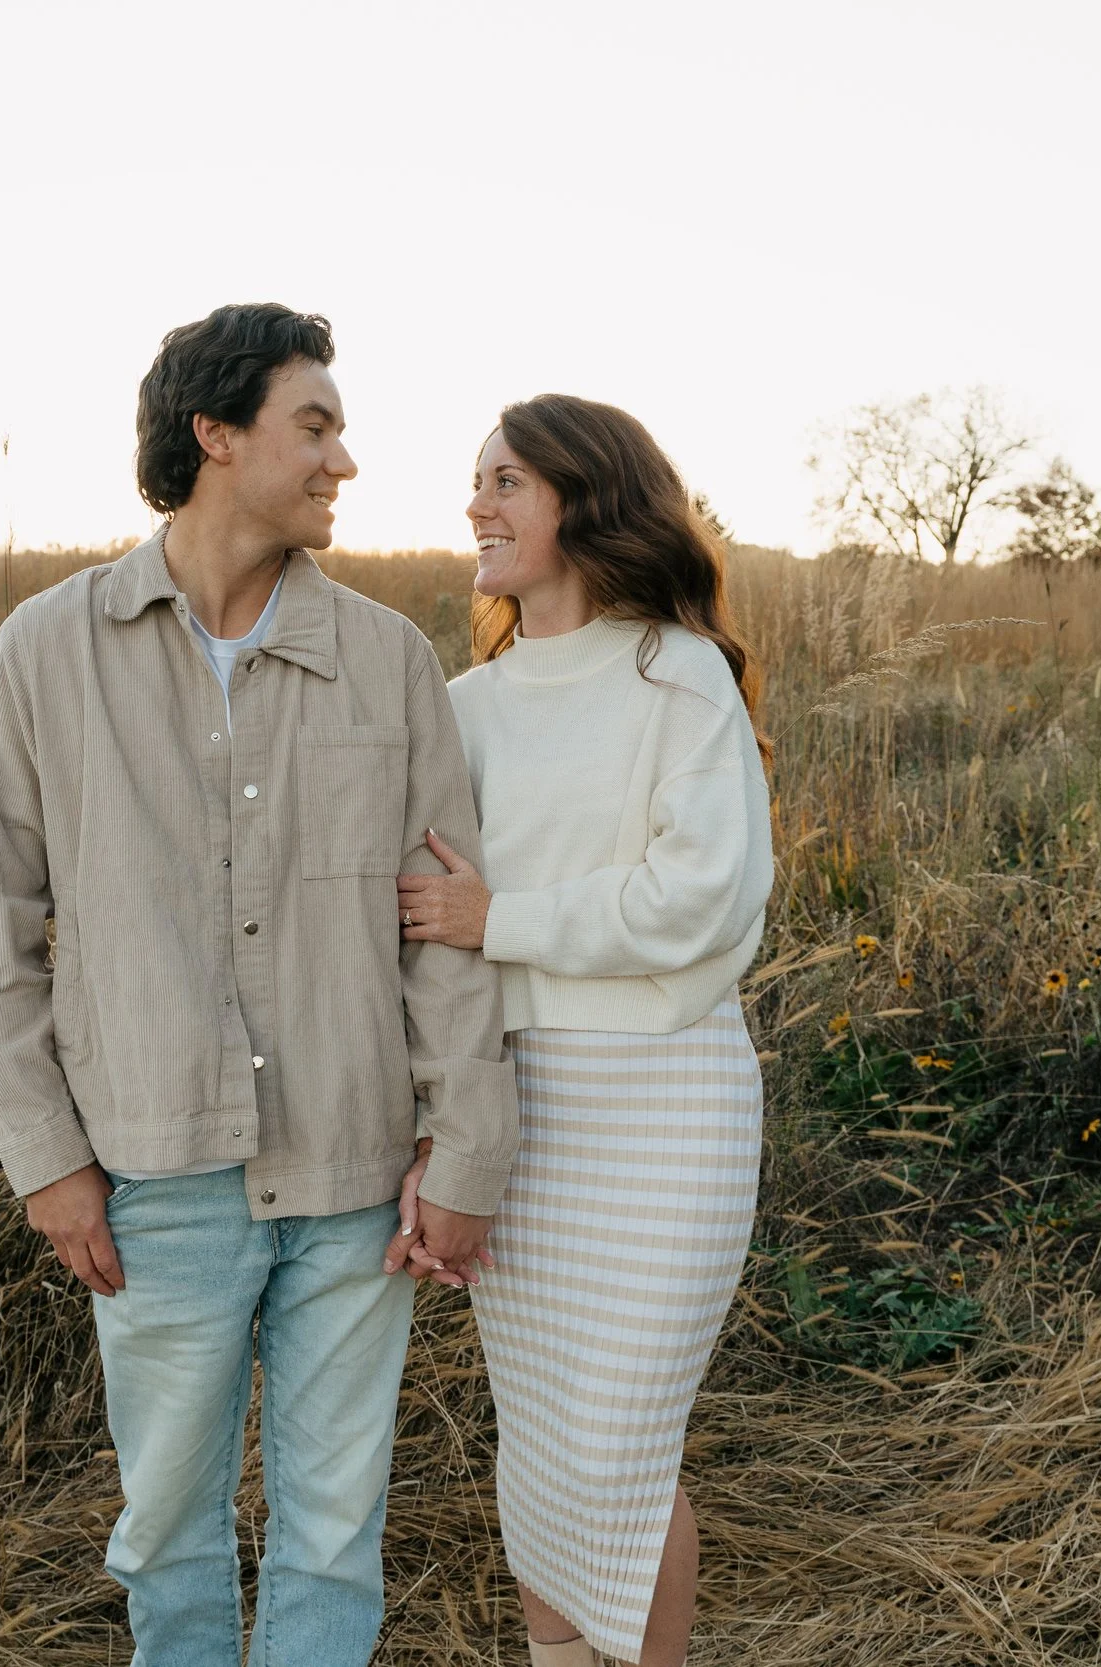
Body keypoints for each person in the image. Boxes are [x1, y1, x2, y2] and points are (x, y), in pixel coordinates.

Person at [0, 302, 519, 1667]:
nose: (344, 459)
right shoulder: (46, 651)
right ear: (216, 434)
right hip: (153, 1176)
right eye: (313, 424)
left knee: (335, 1530)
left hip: (356, 1178)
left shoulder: (387, 661)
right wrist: (46, 1159)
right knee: (164, 1530)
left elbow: (442, 931)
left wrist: (463, 1146)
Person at [395, 394, 774, 1667]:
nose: (477, 506)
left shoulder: (680, 674)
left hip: (663, 1105)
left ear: (585, 496)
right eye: (476, 481)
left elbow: (699, 896)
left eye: (505, 481)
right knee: (549, 1438)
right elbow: (417, 939)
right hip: (520, 1109)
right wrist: (438, 1128)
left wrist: (503, 917)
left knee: (619, 1437)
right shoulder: (464, 704)